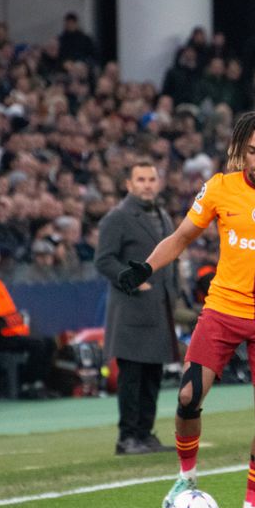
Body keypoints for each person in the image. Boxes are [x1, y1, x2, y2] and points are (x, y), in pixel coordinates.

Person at [118, 112, 255, 508]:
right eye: (252, 151)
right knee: (188, 396)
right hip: (223, 310)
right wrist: (145, 267)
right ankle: (186, 476)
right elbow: (180, 237)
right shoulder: (219, 187)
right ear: (240, 152)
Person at [95, 160, 179, 455]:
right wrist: (131, 280)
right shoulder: (117, 217)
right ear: (128, 185)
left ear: (159, 183)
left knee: (153, 375)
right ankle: (127, 437)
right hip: (131, 309)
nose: (147, 185)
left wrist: (175, 293)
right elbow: (103, 260)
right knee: (132, 376)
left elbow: (173, 257)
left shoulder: (164, 216)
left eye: (151, 179)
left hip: (159, 309)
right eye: (141, 179)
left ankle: (145, 433)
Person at [0, 241, 55, 396]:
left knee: (49, 341)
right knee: (38, 344)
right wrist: (2, 323)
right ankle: (26, 383)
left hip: (8, 331)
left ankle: (36, 382)